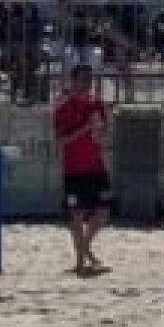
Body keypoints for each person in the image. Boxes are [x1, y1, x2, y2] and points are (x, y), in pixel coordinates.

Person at [52, 62, 112, 275]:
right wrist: (86, 127)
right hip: (74, 169)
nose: (87, 83)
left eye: (90, 79)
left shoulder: (98, 104)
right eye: (83, 78)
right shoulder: (63, 108)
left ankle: (85, 248)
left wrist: (99, 131)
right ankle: (80, 261)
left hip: (96, 166)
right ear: (73, 81)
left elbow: (103, 135)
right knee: (75, 217)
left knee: (103, 214)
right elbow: (60, 142)